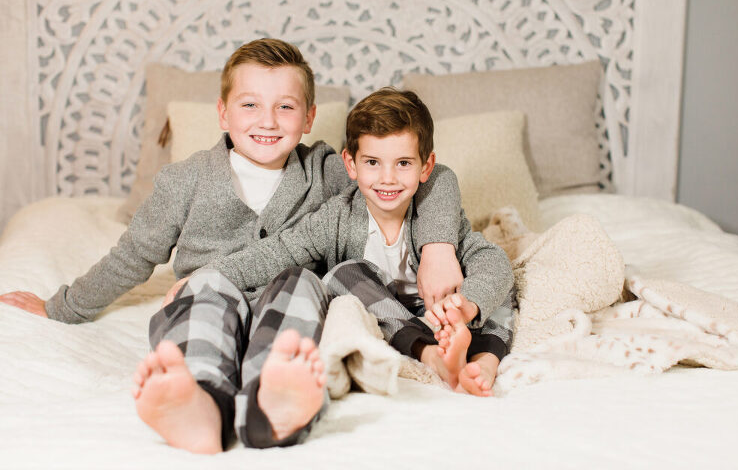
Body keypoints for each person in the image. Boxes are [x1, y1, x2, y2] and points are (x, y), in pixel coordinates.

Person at [0, 39, 465, 452]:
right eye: (250, 105)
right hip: (211, 292)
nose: (268, 121)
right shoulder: (185, 180)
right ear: (223, 113)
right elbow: (132, 256)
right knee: (203, 299)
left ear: (309, 117)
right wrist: (62, 306)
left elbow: (434, 177)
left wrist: (438, 247)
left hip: (287, 294)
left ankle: (274, 401)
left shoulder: (326, 170)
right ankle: (199, 406)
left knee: (303, 285)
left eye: (285, 107)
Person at [187, 87, 516, 399]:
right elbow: (278, 251)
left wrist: (467, 306)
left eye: (403, 163)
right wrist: (206, 275)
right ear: (351, 164)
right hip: (394, 318)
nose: (387, 178)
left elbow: (490, 260)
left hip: (448, 313)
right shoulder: (336, 218)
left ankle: (484, 364)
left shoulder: (436, 214)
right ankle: (432, 355)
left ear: (425, 167)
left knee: (502, 281)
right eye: (373, 162)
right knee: (342, 275)